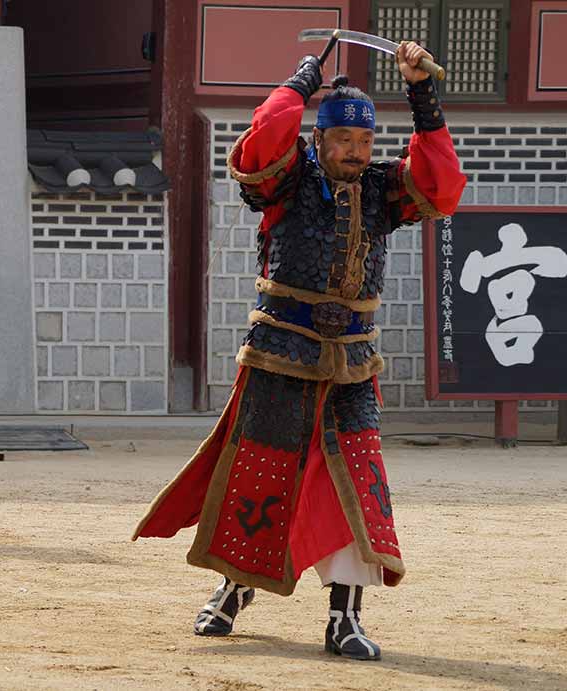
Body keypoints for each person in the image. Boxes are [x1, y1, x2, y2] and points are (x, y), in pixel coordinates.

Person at [133, 42, 466, 660]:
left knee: (352, 488)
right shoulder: (286, 180)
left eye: (364, 143)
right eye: (344, 141)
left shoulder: (382, 189)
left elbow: (442, 187)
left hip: (353, 364)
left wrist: (422, 95)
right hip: (280, 355)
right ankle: (232, 588)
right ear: (320, 137)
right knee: (258, 476)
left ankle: (345, 618)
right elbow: (261, 143)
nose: (356, 153)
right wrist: (296, 86)